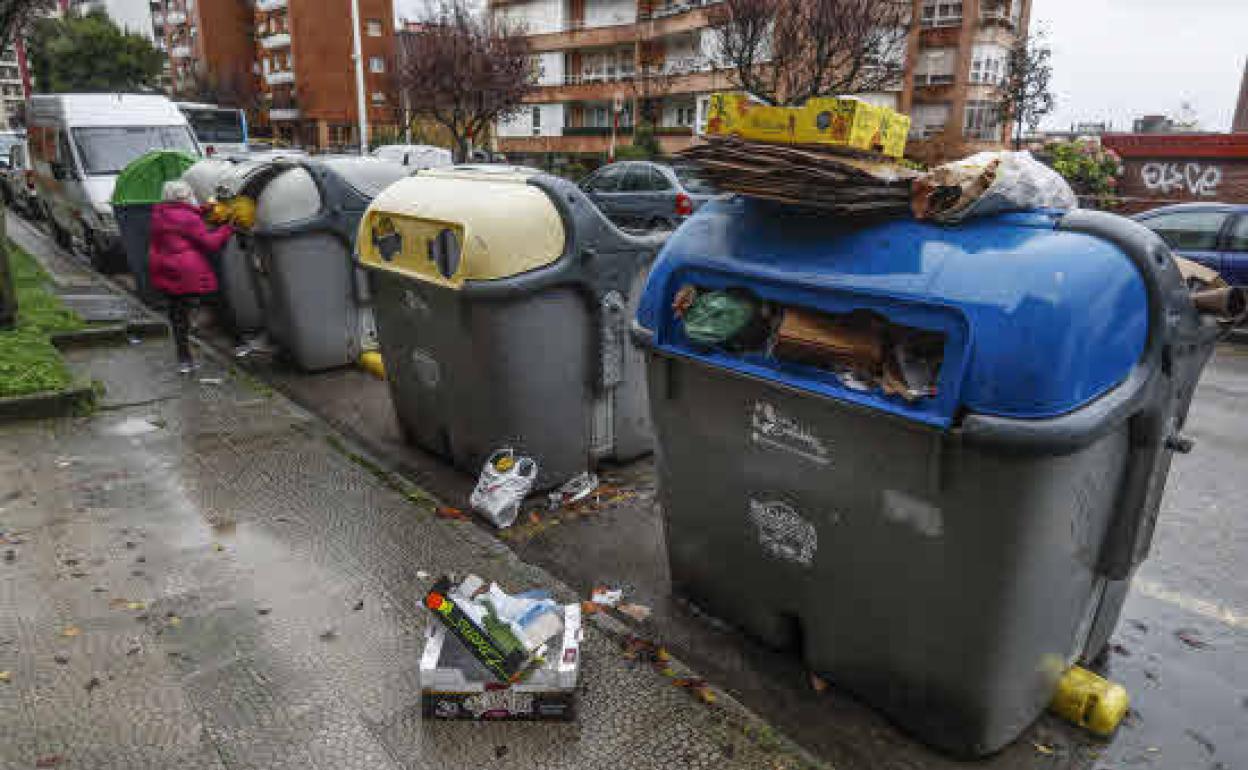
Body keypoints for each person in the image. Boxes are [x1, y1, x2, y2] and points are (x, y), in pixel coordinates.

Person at [148, 180, 233, 373]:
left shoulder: (160, 213)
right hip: (187, 270)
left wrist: (204, 209)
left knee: (177, 315)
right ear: (185, 197)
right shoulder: (188, 218)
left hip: (164, 267)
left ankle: (184, 360)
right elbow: (210, 242)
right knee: (217, 300)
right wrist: (228, 228)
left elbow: (183, 218)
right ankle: (238, 342)